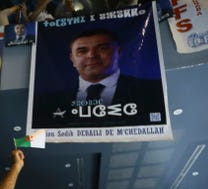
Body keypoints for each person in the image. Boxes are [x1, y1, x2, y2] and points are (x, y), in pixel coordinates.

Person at [33, 27, 165, 128]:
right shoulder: (47, 102)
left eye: (102, 48)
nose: (91, 55)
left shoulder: (153, 91)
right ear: (72, 59)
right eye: (82, 51)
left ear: (119, 52)